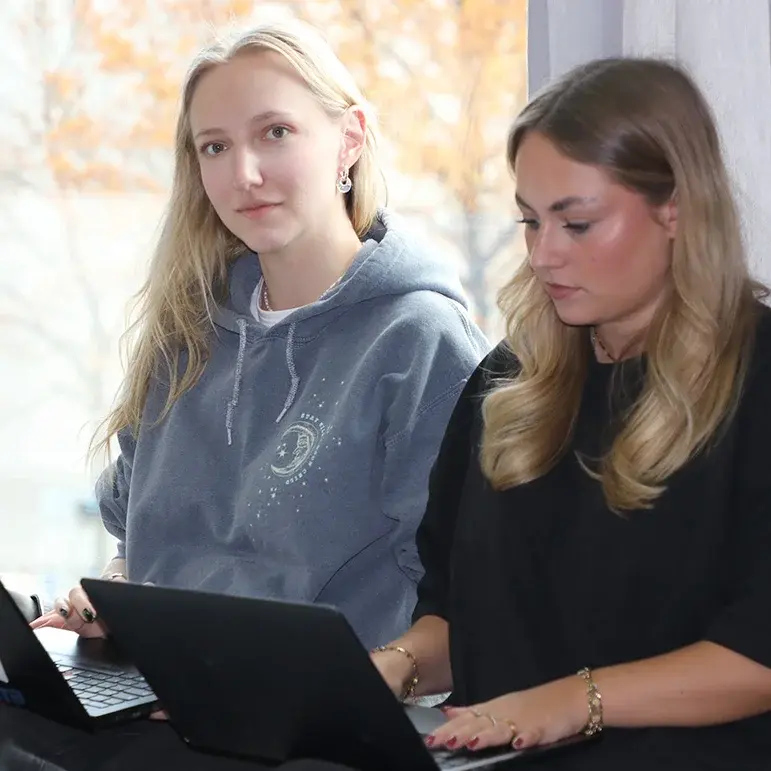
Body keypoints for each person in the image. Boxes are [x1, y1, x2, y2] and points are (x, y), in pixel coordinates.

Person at [30, 19, 488, 653]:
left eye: (275, 133)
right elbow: (137, 548)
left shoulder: (421, 344)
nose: (243, 173)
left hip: (318, 720)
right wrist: (111, 596)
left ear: (348, 139)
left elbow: (461, 601)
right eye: (214, 147)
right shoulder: (185, 333)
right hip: (159, 684)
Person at [371, 57, 771, 770]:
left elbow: (757, 658)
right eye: (529, 221)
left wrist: (569, 700)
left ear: (674, 209)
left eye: (576, 223)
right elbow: (454, 618)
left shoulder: (758, 379)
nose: (542, 255)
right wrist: (397, 664)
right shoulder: (509, 379)